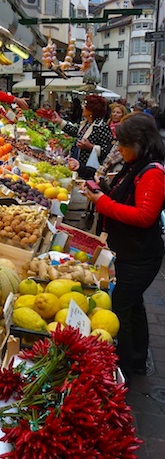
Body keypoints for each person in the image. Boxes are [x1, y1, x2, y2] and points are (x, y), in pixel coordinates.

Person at [85, 113, 165, 384]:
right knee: (135, 306)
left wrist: (102, 203)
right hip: (131, 250)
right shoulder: (137, 164)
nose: (118, 149)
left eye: (123, 144)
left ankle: (125, 369)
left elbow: (145, 216)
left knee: (121, 307)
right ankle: (138, 360)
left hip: (139, 255)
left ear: (139, 143)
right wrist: (99, 189)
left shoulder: (152, 172)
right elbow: (124, 196)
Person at [50, 94, 114, 179]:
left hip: (87, 168)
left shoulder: (101, 127)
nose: (82, 107)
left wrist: (90, 147)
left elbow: (107, 150)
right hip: (77, 163)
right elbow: (76, 132)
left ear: (92, 110)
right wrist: (60, 121)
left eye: (85, 105)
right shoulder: (87, 123)